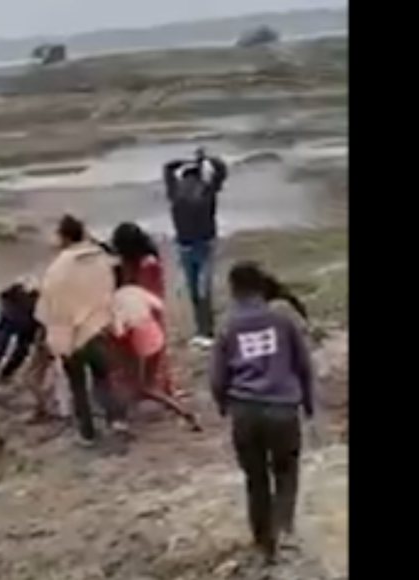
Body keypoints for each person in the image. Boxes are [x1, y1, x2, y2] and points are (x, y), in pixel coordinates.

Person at [211, 261, 315, 564]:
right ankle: (283, 529)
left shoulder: (227, 326)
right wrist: (308, 403)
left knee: (255, 480)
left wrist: (222, 404)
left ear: (233, 290)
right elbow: (304, 366)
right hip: (283, 410)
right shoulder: (283, 321)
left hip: (245, 413)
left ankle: (262, 543)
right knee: (286, 472)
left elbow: (218, 377)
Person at [35, 215, 128, 444]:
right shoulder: (99, 258)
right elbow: (110, 286)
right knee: (103, 376)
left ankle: (87, 433)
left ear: (64, 237)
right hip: (97, 326)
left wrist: (51, 332)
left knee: (78, 385)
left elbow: (51, 302)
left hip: (71, 333)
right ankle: (116, 420)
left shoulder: (59, 267)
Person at [108, 270, 201, 431]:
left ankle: (182, 412)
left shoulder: (115, 301)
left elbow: (119, 331)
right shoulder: (136, 290)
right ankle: (181, 412)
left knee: (142, 387)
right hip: (156, 336)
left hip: (141, 345)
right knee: (144, 384)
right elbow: (159, 305)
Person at [109, 222, 185, 398]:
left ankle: (159, 386)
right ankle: (145, 385)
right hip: (139, 307)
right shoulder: (138, 261)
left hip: (148, 308)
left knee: (154, 350)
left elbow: (145, 289)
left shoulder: (147, 264)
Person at [162, 148, 228, 347]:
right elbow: (220, 170)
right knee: (199, 291)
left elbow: (167, 168)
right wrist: (201, 161)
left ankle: (206, 331)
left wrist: (190, 162)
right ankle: (204, 331)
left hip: (194, 246)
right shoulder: (205, 190)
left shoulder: (177, 192)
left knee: (199, 291)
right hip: (198, 245)